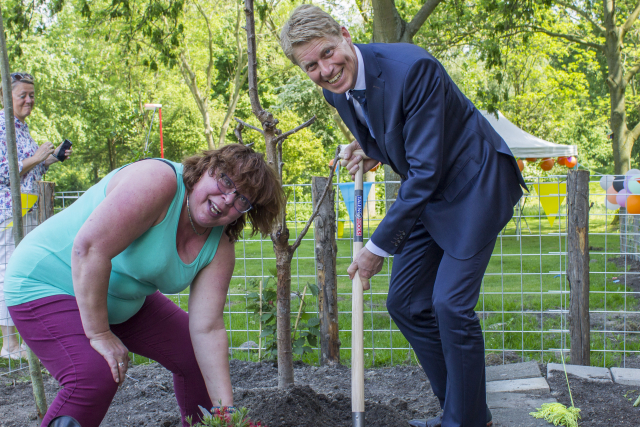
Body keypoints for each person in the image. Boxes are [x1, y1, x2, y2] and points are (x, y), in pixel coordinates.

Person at [280, 6, 526, 427]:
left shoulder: (413, 69)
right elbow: (392, 132)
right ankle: (464, 412)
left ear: (344, 34)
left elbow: (426, 167)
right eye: (311, 66)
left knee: (449, 305)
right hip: (427, 195)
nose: (325, 69)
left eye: (327, 53)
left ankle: (462, 422)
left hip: (473, 187)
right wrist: (369, 150)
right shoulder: (334, 90)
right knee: (407, 304)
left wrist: (376, 247)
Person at [4, 143, 283, 427]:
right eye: (225, 181)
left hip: (118, 297)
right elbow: (89, 250)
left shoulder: (219, 246)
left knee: (194, 354)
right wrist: (100, 335)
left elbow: (207, 329)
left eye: (242, 200)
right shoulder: (158, 182)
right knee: (95, 374)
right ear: (206, 169)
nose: (226, 200)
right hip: (46, 281)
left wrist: (226, 413)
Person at [0, 72, 72, 361]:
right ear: (7, 97)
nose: (29, 100)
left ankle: (27, 337)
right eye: (23, 95)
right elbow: (6, 172)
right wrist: (36, 157)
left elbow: (31, 171)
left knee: (27, 271)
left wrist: (52, 157)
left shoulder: (22, 128)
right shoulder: (3, 127)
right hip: (8, 212)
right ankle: (9, 344)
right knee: (8, 273)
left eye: (32, 95)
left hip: (27, 208)